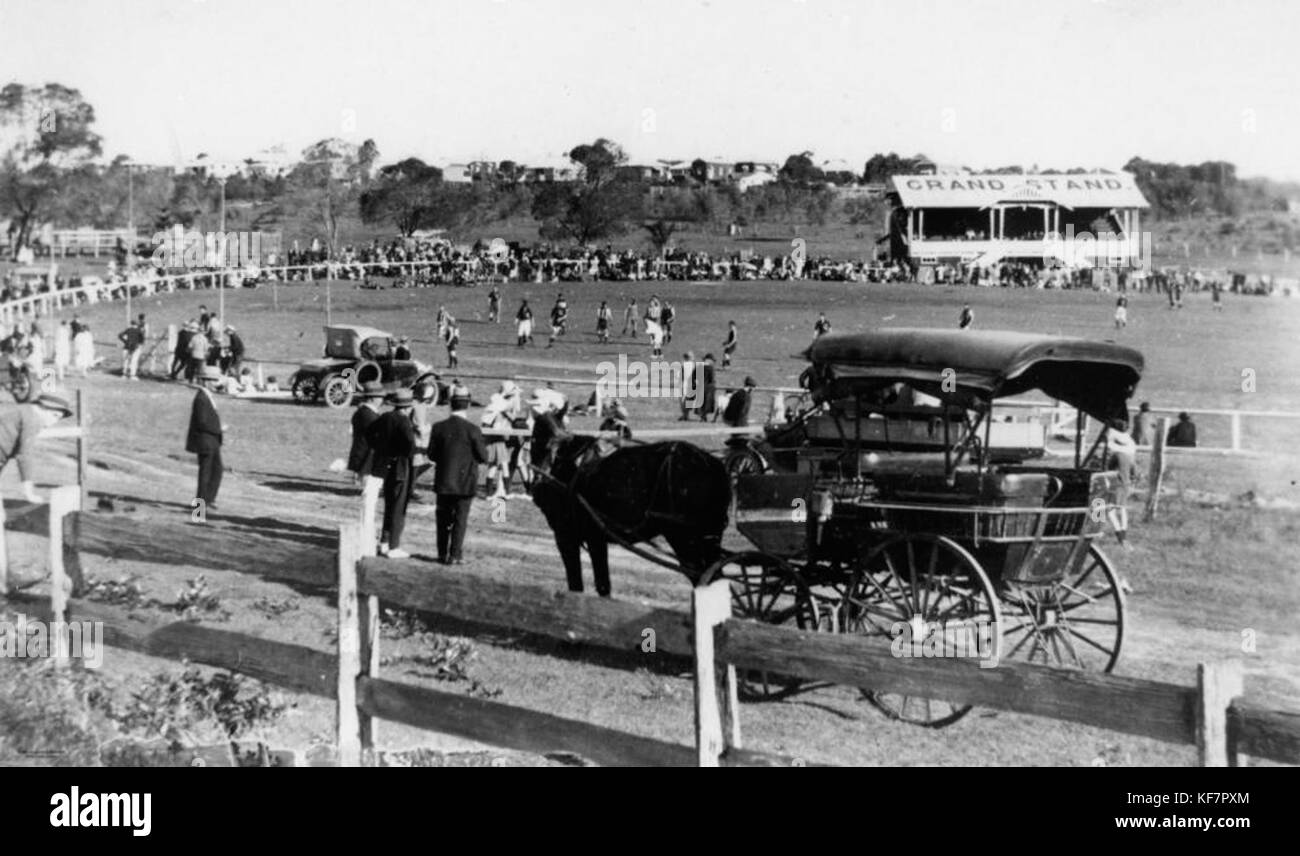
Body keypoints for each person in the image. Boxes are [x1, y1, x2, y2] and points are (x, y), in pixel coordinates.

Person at [0, 393, 75, 592]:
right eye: (54, 416)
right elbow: (25, 456)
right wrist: (29, 492)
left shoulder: (21, 411)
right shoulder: (32, 418)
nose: (52, 423)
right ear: (44, 408)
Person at [427, 384, 488, 565]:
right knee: (460, 520)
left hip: (444, 480)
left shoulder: (438, 427)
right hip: (465, 482)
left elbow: (431, 454)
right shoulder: (473, 430)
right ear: (467, 405)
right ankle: (455, 554)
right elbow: (483, 456)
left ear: (450, 405)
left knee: (443, 519)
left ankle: (441, 553)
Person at [367, 389, 417, 558]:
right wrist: (407, 452)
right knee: (398, 506)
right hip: (400, 467)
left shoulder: (385, 417)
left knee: (389, 505)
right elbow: (410, 444)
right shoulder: (404, 422)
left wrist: (380, 448)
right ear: (408, 407)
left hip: (384, 465)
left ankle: (384, 542)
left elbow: (368, 433)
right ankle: (394, 546)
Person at [186, 365, 226, 514]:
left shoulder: (206, 396)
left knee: (217, 470)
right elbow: (202, 422)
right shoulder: (201, 398)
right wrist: (219, 428)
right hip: (206, 440)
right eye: (213, 380)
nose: (216, 383)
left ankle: (208, 500)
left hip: (212, 440)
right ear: (205, 381)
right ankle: (199, 509)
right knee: (205, 474)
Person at [481, 381, 521, 501]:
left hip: (494, 439)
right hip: (498, 439)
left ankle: (488, 494)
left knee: (493, 466)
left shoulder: (496, 406)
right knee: (504, 465)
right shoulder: (501, 408)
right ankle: (506, 492)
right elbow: (511, 414)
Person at [347, 381, 385, 484]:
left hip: (362, 452)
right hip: (366, 455)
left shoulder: (363, 412)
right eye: (380, 397)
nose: (382, 400)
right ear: (373, 398)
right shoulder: (369, 415)